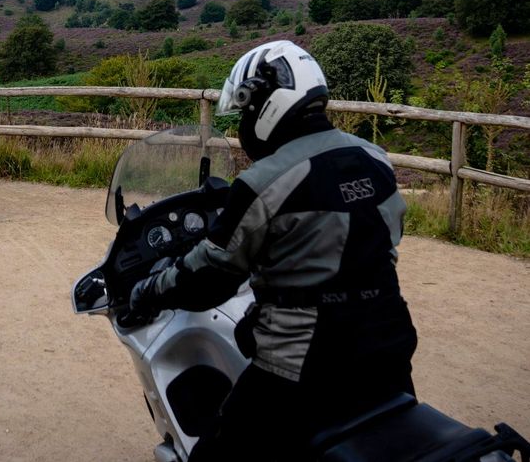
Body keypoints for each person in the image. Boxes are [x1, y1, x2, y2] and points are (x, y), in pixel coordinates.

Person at [127, 40, 418, 461]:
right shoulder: (375, 158)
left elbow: (210, 275)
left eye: (245, 109)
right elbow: (376, 245)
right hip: (390, 344)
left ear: (268, 101)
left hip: (303, 363)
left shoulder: (264, 181)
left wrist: (151, 289)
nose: (245, 123)